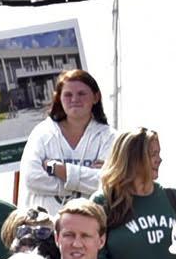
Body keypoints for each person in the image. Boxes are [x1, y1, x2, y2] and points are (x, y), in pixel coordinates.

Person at [18, 65, 114, 219]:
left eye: (82, 93)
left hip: (89, 234)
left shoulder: (110, 137)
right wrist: (83, 183)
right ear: (59, 98)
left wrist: (56, 169)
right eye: (68, 94)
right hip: (42, 230)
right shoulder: (42, 133)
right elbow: (32, 178)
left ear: (96, 97)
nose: (75, 99)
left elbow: (109, 183)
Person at [95, 129, 176, 259]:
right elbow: (96, 257)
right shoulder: (104, 202)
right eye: (153, 154)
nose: (159, 160)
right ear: (132, 159)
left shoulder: (173, 198)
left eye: (159, 153)